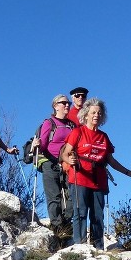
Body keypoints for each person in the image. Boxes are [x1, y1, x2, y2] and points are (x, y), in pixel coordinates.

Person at [60, 97, 131, 248]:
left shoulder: (103, 137)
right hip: (79, 177)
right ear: (85, 114)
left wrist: (129, 173)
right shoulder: (77, 132)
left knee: (98, 215)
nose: (96, 115)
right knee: (80, 212)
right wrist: (69, 161)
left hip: (98, 179)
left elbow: (110, 160)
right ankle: (80, 245)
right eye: (93, 112)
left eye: (99, 113)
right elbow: (65, 153)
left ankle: (97, 247)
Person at [36, 95, 76, 238]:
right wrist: (38, 146)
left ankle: (66, 222)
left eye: (68, 103)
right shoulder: (49, 123)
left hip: (67, 164)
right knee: (54, 197)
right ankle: (57, 229)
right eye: (63, 103)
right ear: (55, 106)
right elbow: (44, 144)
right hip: (50, 162)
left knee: (73, 194)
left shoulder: (72, 125)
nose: (67, 105)